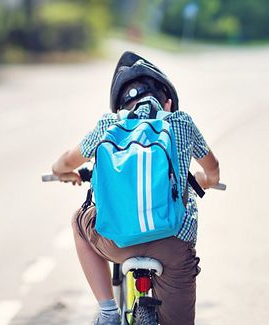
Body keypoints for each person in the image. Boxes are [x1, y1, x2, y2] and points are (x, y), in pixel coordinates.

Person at [51, 51, 220, 325]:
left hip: (117, 243)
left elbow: (68, 160)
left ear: (120, 105)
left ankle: (107, 312)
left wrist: (62, 171)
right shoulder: (181, 122)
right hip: (173, 245)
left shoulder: (109, 124)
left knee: (78, 222)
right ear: (167, 102)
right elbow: (212, 166)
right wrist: (207, 180)